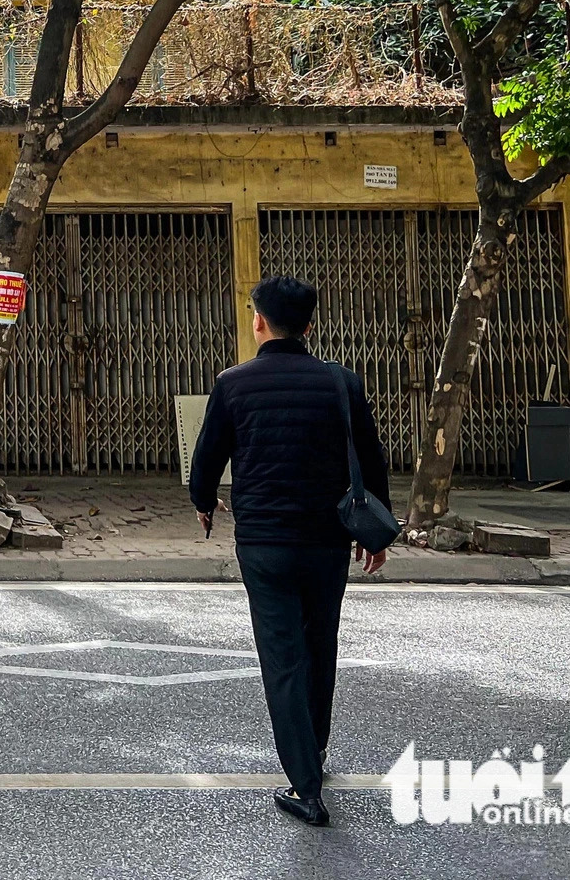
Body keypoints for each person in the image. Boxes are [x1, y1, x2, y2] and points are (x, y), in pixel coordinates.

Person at [189, 274, 392, 828]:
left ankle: (306, 786)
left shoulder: (233, 384)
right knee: (319, 644)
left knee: (283, 658)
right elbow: (372, 461)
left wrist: (203, 503)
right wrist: (377, 532)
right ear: (308, 324)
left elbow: (208, 456)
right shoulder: (341, 382)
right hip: (329, 541)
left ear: (259, 321)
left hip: (264, 543)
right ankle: (315, 754)